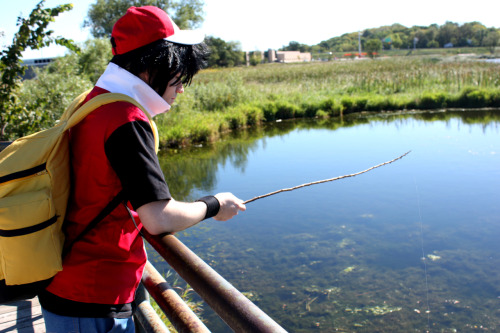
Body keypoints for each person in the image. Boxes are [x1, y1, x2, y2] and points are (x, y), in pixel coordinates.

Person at [38, 6, 246, 333]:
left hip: (67, 281)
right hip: (92, 295)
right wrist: (214, 205)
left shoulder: (92, 102)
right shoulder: (125, 119)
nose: (180, 88)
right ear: (151, 68)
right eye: (178, 77)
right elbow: (158, 217)